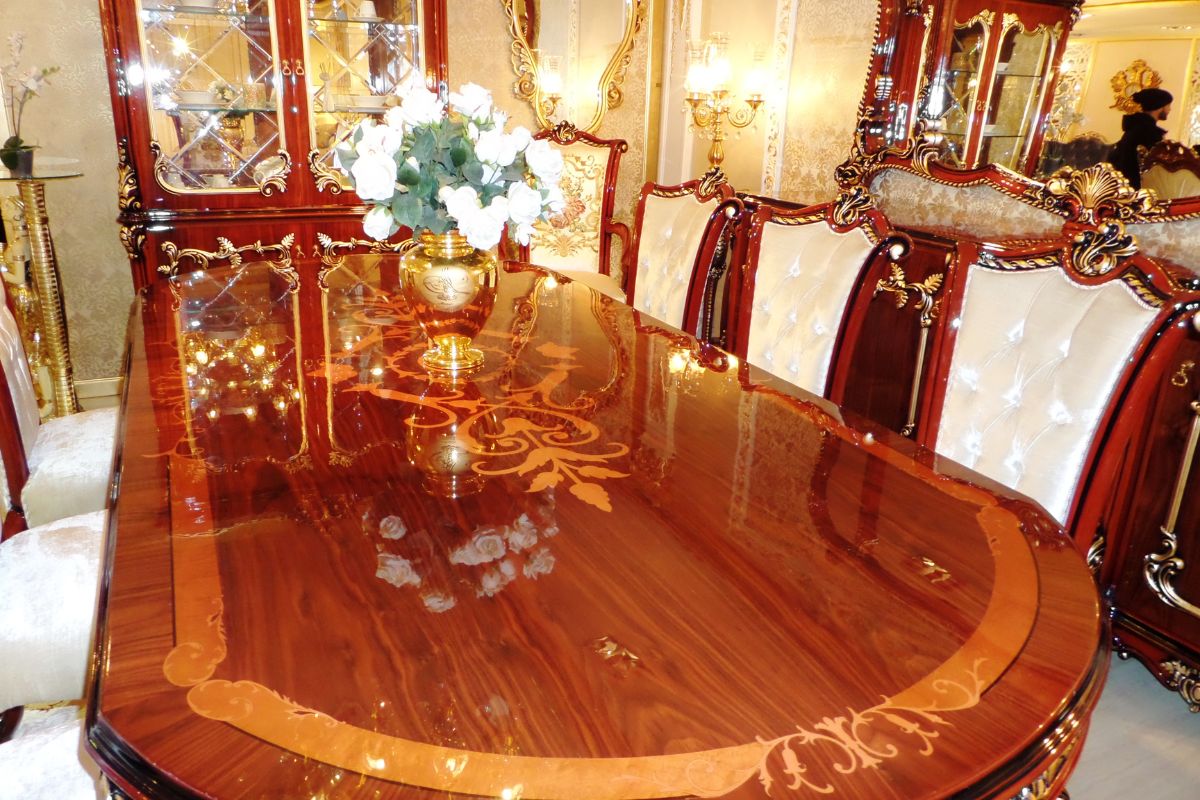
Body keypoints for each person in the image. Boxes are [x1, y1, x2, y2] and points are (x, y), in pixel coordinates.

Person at [1108, 87, 1173, 189]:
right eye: (1168, 105)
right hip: (1138, 189)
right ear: (1159, 106)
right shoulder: (1149, 133)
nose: (1170, 109)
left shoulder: (1136, 128)